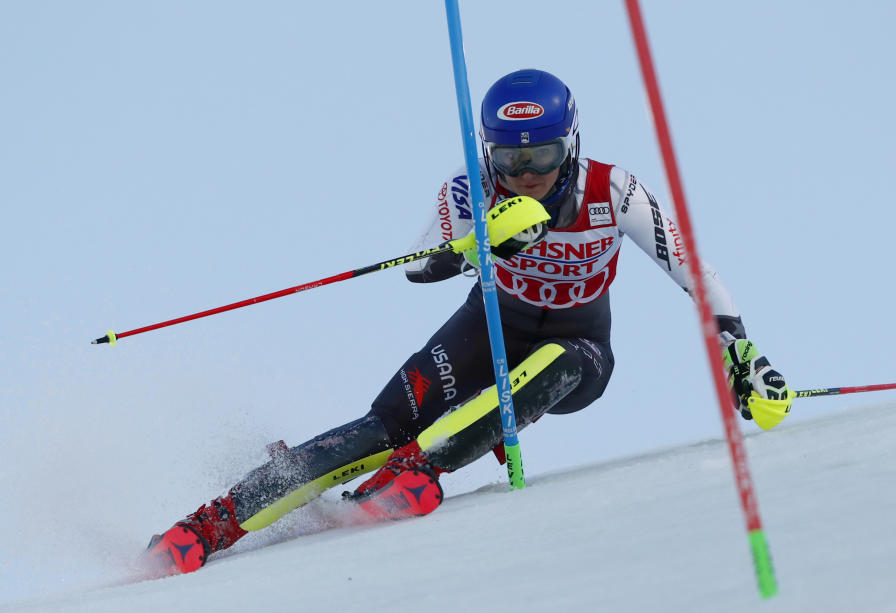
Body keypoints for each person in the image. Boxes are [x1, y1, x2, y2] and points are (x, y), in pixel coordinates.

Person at [146, 69, 792, 574]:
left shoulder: (613, 190)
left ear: (571, 145)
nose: (527, 175)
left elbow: (692, 272)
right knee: (383, 425)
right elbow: (418, 267)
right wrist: (479, 245)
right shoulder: (468, 189)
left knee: (561, 359)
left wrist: (739, 348)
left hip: (579, 348)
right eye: (510, 161)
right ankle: (209, 524)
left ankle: (420, 471)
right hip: (489, 328)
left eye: (541, 156)